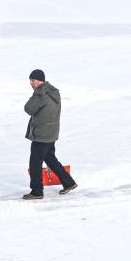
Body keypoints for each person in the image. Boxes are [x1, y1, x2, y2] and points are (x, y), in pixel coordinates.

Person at [23, 69, 77, 200]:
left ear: (40, 80)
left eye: (33, 80)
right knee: (50, 159)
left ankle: (37, 191)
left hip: (41, 134)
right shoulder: (54, 91)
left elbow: (28, 108)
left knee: (35, 163)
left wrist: (35, 94)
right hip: (51, 132)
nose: (31, 83)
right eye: (30, 80)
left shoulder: (41, 94)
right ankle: (69, 183)